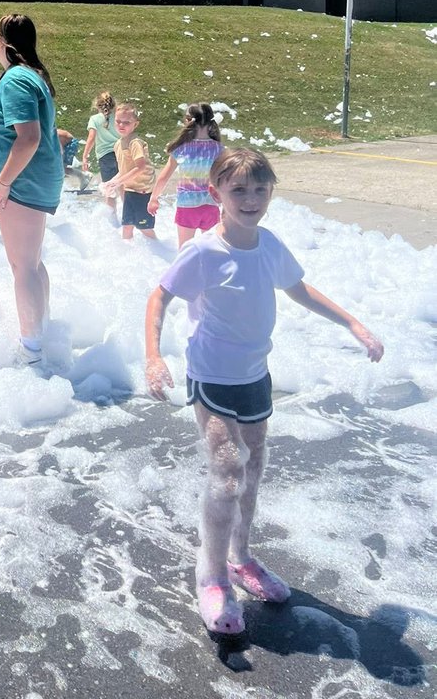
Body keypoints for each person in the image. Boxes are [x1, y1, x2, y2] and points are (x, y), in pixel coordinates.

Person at [144, 147, 384, 637]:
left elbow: (299, 289)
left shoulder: (269, 245)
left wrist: (354, 323)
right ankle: (210, 577)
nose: (250, 199)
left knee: (254, 463)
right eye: (239, 190)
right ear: (216, 194)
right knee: (227, 470)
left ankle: (241, 557)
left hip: (255, 374)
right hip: (212, 375)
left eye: (260, 189)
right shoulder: (205, 251)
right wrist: (153, 356)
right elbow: (160, 295)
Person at [0, 14, 64, 366]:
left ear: (5, 43)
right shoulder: (29, 76)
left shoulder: (16, 79)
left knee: (23, 266)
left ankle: (31, 350)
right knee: (31, 262)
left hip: (22, 184)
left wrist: (3, 182)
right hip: (31, 182)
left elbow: (28, 138)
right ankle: (41, 333)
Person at [148, 102, 223, 247]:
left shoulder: (181, 148)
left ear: (188, 121)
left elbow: (164, 177)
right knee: (212, 249)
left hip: (187, 206)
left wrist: (154, 199)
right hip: (211, 205)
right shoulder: (219, 149)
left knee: (185, 251)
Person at [103, 104, 157, 239]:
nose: (121, 125)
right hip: (130, 191)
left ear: (135, 124)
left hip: (142, 192)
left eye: (126, 122)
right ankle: (127, 256)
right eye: (118, 121)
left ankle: (162, 252)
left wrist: (118, 182)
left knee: (144, 228)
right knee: (127, 226)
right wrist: (112, 182)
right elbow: (124, 170)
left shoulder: (135, 143)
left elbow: (141, 167)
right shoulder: (118, 144)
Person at [81, 91, 120, 213]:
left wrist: (85, 156)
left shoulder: (95, 119)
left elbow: (91, 138)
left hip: (106, 157)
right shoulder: (118, 117)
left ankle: (112, 220)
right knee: (125, 186)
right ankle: (128, 219)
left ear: (97, 106)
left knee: (109, 189)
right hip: (122, 153)